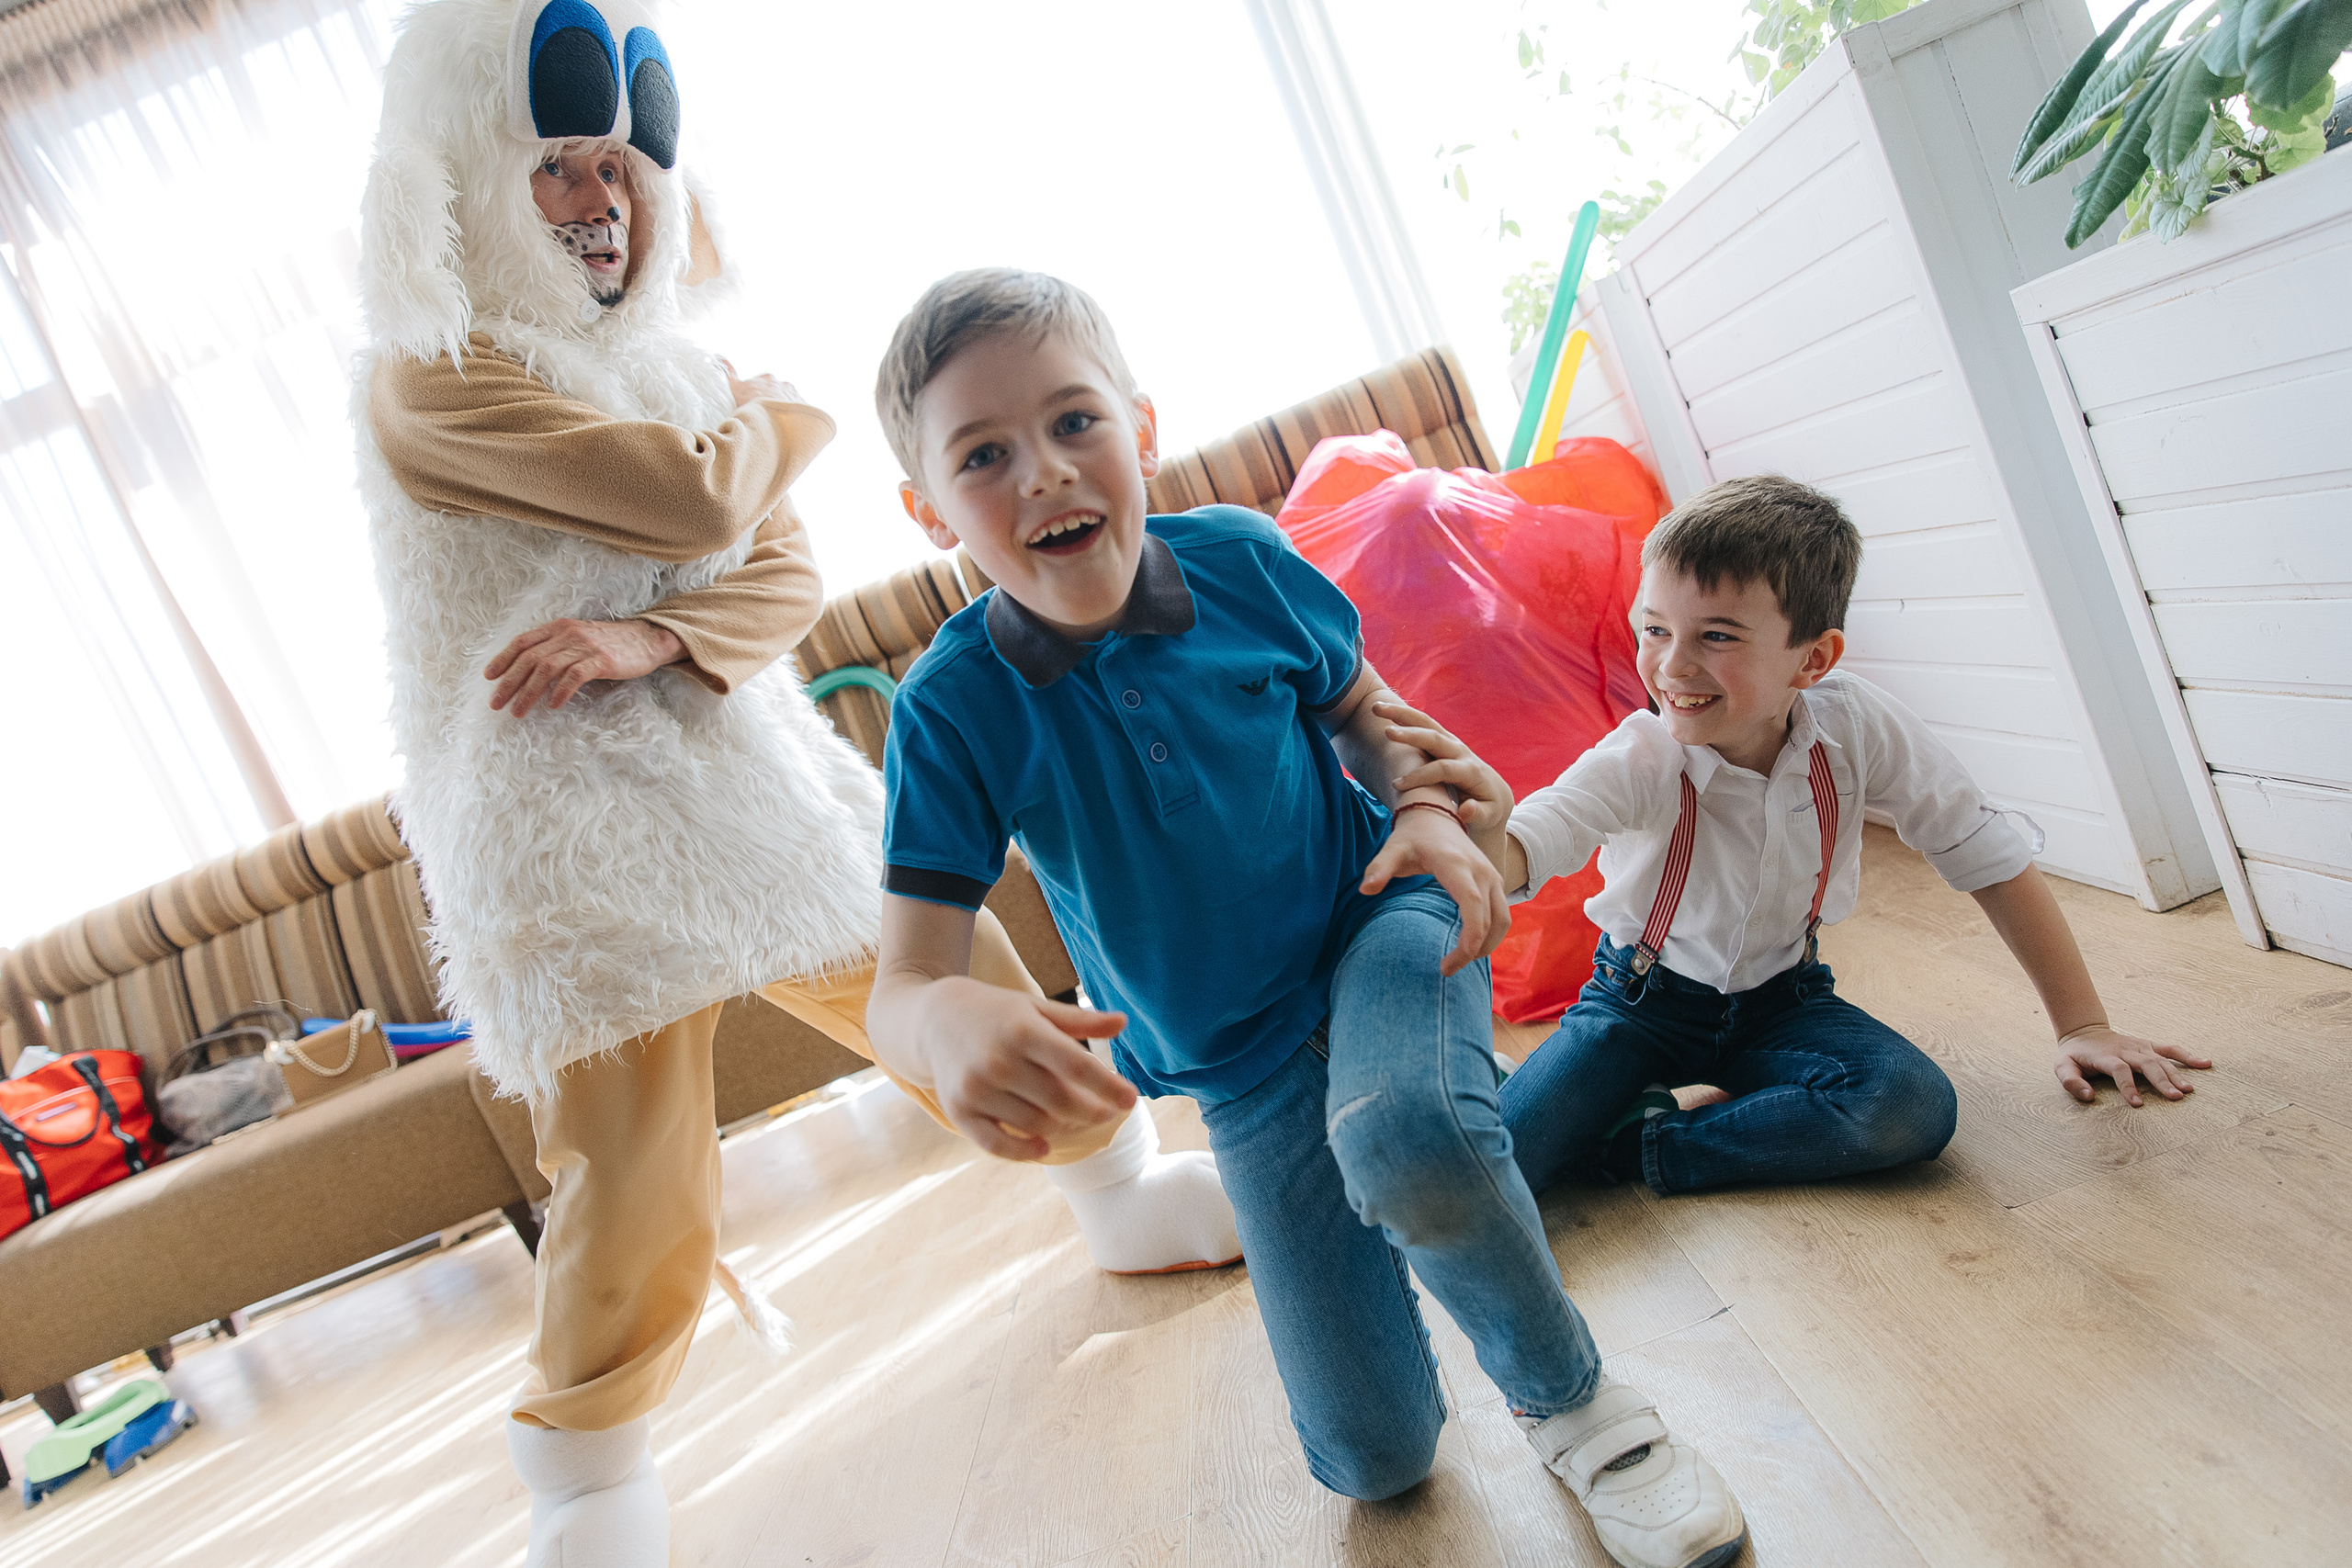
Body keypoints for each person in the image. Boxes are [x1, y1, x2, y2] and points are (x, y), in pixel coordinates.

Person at [352, 6, 1235, 1563]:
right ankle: (589, 1487)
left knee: (945, 959)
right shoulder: (427, 380)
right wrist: (794, 415)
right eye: (553, 164)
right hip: (555, 819)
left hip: (732, 763)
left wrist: (653, 635)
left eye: (618, 164)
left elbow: (782, 567)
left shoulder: (675, 362)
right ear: (459, 181)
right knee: (631, 1166)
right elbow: (686, 486)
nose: (600, 196)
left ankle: (1122, 1189)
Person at [862, 267, 1751, 1568]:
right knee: (1377, 1461)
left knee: (1403, 1131)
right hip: (1233, 1059)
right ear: (928, 509)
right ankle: (1440, 1189)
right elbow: (902, 981)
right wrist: (945, 1025)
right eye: (984, 454)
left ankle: (1584, 1407)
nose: (1045, 471)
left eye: (1073, 423)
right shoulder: (951, 705)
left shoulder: (1241, 563)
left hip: (1380, 914)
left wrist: (1431, 811)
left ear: (1142, 428)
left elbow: (1373, 725)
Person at [1384, 473, 2213, 1200]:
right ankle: (1541, 1095)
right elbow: (1536, 841)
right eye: (1654, 628)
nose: (1671, 666)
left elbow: (1987, 856)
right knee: (1491, 1174)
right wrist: (1484, 831)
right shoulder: (1639, 756)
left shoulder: (1857, 730)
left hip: (1785, 1000)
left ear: (1812, 659)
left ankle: (1643, 1141)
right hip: (1637, 1007)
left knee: (1907, 1107)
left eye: (1717, 635)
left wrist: (2081, 1026)